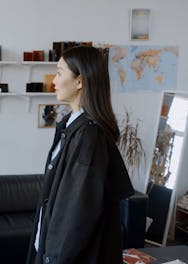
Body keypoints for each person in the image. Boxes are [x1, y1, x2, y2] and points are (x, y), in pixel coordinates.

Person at [27, 46, 134, 264]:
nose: (53, 81)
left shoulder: (89, 137)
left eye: (59, 73)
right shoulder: (71, 127)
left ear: (80, 81)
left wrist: (54, 259)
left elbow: (77, 213)